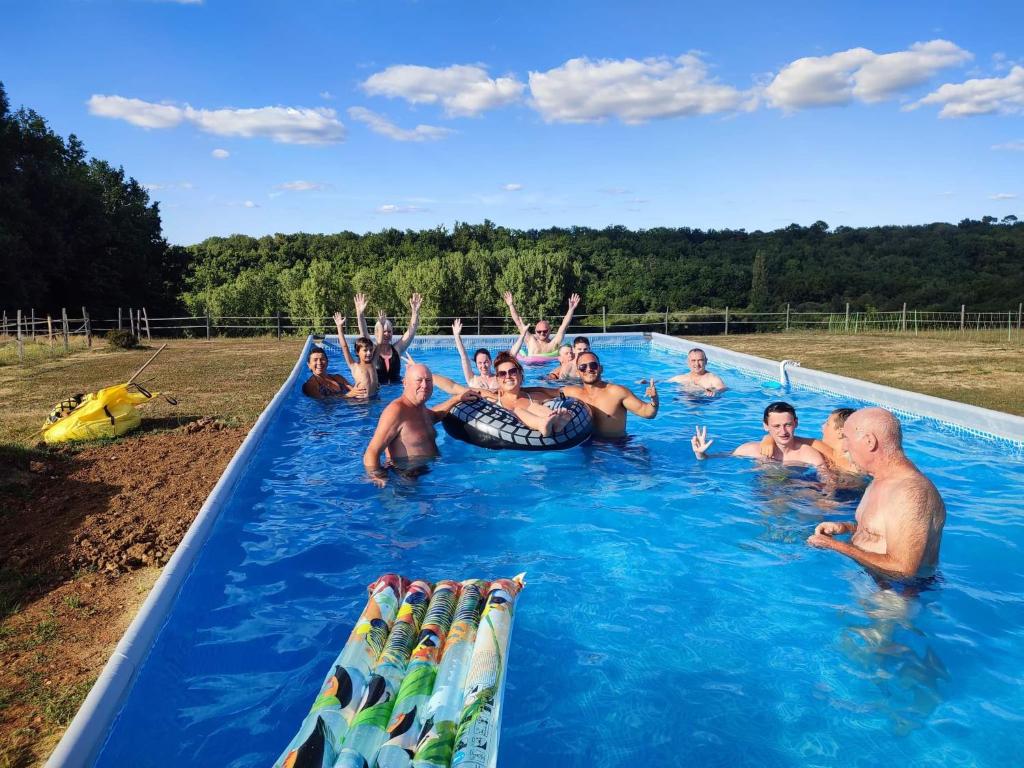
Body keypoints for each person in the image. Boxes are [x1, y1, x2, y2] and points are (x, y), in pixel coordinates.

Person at [807, 408, 946, 579]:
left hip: (896, 596)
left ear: (869, 441)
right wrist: (846, 528)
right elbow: (884, 532)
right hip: (872, 582)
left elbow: (903, 570)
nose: (844, 447)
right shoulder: (880, 479)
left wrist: (836, 546)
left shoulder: (910, 492)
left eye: (847, 439)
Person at [362, 363, 470, 486]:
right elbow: (371, 452)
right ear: (405, 383)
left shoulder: (420, 408)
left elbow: (434, 416)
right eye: (419, 380)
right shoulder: (396, 411)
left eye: (428, 380)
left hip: (430, 473)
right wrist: (378, 477)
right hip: (406, 480)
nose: (424, 385)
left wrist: (457, 399)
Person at [432, 352, 570, 436]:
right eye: (502, 374)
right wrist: (427, 376)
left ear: (520, 375)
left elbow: (562, 392)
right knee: (518, 410)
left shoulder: (535, 395)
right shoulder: (491, 396)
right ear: (497, 379)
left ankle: (555, 421)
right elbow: (453, 386)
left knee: (534, 406)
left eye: (512, 372)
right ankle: (542, 423)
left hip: (541, 445)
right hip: (507, 451)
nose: (508, 376)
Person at [692, 401, 825, 466]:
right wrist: (701, 454)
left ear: (796, 423)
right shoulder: (751, 449)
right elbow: (719, 458)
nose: (783, 431)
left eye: (788, 425)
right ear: (766, 426)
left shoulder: (808, 455)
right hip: (762, 496)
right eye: (776, 426)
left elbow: (827, 482)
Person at [561, 351, 659, 438]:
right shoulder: (572, 393)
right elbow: (546, 392)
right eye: (583, 367)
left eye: (593, 365)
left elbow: (648, 413)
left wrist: (654, 400)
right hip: (588, 445)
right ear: (578, 372)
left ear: (601, 369)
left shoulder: (617, 392)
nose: (589, 369)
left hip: (617, 448)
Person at [760, 406, 858, 472]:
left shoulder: (855, 461)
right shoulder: (820, 446)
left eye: (827, 424)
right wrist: (769, 439)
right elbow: (786, 438)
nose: (822, 426)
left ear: (841, 431)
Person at [356, 292, 422, 384]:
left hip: (396, 391)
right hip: (379, 393)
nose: (386, 334)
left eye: (389, 331)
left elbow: (411, 332)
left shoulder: (397, 349)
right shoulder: (371, 350)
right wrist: (360, 314)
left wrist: (415, 313)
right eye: (383, 331)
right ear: (376, 334)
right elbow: (363, 331)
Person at [451, 318, 528, 391]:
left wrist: (523, 334)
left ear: (491, 361)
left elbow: (511, 355)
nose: (483, 366)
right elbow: (464, 356)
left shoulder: (499, 377)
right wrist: (456, 336)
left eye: (486, 362)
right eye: (480, 363)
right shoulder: (472, 379)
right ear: (476, 364)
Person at [502, 291, 581, 356]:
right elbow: (518, 322)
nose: (542, 333)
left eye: (545, 331)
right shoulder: (531, 341)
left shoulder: (554, 343)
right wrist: (511, 305)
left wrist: (571, 309)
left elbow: (564, 326)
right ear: (535, 332)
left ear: (550, 330)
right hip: (532, 370)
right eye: (539, 331)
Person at [333, 312, 380, 397]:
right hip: (359, 403)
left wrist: (382, 324)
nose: (369, 353)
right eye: (365, 350)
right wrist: (339, 327)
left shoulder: (373, 363)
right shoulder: (354, 366)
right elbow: (344, 347)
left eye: (370, 350)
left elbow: (379, 344)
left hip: (374, 399)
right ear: (357, 352)